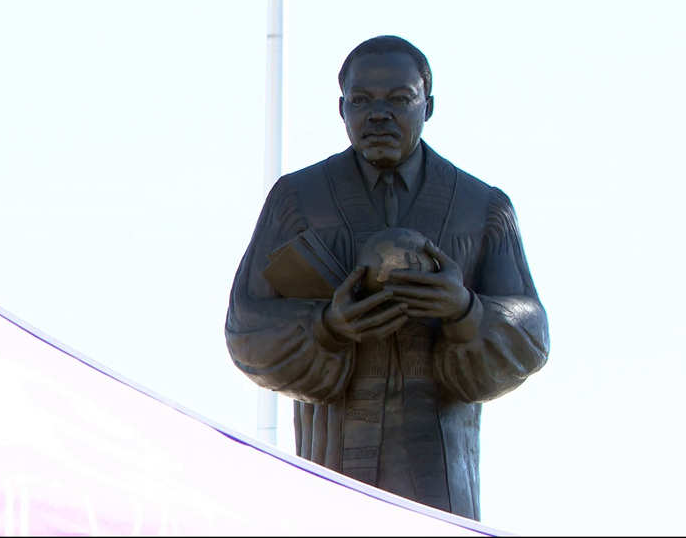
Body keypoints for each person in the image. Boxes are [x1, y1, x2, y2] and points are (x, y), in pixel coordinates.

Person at [225, 35, 549, 521]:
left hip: (440, 479)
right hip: (330, 469)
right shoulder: (298, 200)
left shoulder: (481, 209)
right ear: (342, 109)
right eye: (361, 100)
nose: (378, 114)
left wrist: (464, 312)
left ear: (428, 106)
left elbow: (531, 336)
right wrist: (328, 327)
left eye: (399, 99)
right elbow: (245, 329)